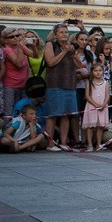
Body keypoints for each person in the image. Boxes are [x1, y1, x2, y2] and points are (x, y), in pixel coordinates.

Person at [43, 23, 83, 151]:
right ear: (55, 34)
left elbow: (80, 65)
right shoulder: (50, 45)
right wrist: (64, 52)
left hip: (70, 84)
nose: (64, 34)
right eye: (61, 32)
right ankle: (50, 144)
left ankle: (63, 143)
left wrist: (72, 54)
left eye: (66, 32)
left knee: (66, 115)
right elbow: (50, 62)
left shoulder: (71, 47)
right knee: (53, 115)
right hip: (55, 84)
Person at [82, 63, 110, 151]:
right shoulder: (89, 83)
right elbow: (87, 96)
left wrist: (104, 104)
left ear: (103, 71)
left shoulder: (106, 83)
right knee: (90, 126)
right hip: (91, 106)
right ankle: (90, 144)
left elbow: (107, 95)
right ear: (92, 72)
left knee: (100, 126)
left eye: (100, 70)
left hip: (102, 106)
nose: (98, 73)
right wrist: (95, 104)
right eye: (95, 71)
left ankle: (98, 144)